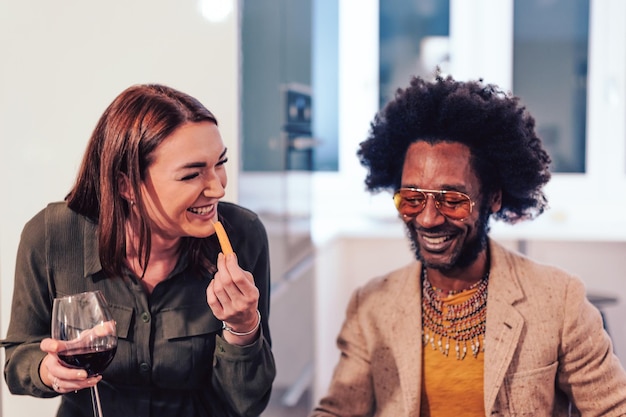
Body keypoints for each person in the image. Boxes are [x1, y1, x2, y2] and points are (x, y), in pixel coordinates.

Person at [310, 74, 626, 416]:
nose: (428, 219)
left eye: (452, 199)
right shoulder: (371, 305)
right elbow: (338, 411)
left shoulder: (558, 300)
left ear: (492, 197)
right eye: (412, 198)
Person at [1, 84, 276, 416]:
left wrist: (243, 327)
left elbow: (246, 403)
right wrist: (48, 369)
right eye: (191, 174)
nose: (218, 186)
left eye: (221, 162)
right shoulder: (51, 236)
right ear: (126, 185)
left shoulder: (244, 236)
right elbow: (18, 360)